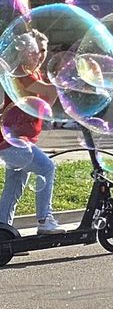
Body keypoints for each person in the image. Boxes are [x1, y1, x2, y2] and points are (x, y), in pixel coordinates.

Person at [0, 31, 62, 235]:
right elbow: (48, 94)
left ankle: (3, 229)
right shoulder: (21, 73)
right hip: (11, 140)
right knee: (47, 167)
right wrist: (65, 83)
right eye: (35, 50)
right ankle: (45, 220)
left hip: (17, 140)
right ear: (25, 50)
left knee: (14, 187)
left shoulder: (34, 74)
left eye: (43, 50)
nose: (39, 55)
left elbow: (42, 105)